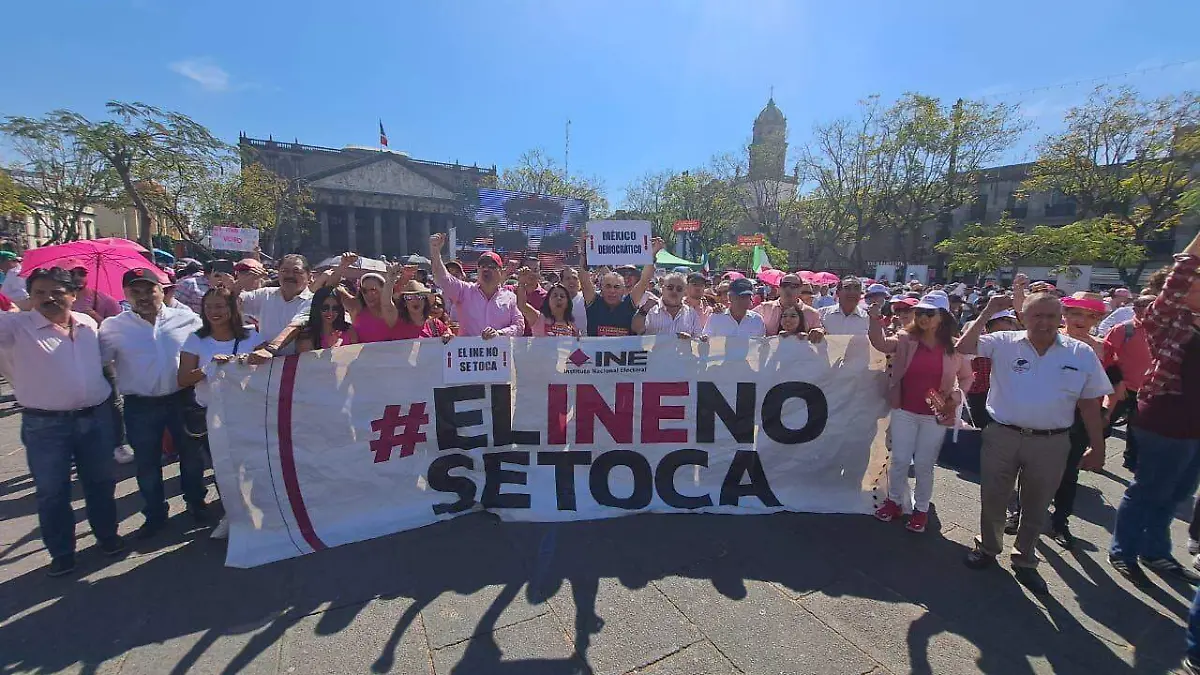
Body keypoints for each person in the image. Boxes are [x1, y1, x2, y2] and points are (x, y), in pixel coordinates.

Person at [957, 292, 1111, 595]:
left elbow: (1090, 404)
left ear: (1061, 318)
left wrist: (1099, 446)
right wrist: (988, 310)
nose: (1043, 322)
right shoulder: (1003, 341)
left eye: (1051, 316)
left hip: (1051, 442)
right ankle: (988, 547)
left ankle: (1025, 558)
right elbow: (963, 346)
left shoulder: (1080, 353)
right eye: (1036, 315)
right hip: (1002, 434)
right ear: (1023, 317)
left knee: (1036, 504)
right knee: (994, 496)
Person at [0, 267, 125, 576]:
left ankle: (108, 537)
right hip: (45, 426)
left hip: (95, 419)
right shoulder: (16, 327)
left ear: (73, 294)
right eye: (40, 292)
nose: (48, 298)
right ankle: (62, 552)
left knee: (100, 483)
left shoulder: (87, 323)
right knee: (52, 491)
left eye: (57, 292)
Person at [1110, 227, 1200, 589]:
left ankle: (1155, 549)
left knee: (1178, 494)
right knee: (1150, 488)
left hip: (1196, 425)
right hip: (1164, 418)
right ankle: (1124, 550)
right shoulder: (1165, 320)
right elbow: (1182, 273)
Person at [100, 268, 208, 539]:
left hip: (183, 400)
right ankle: (155, 515)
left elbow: (208, 349)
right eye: (135, 292)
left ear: (163, 290)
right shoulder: (113, 327)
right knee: (147, 464)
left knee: (192, 458)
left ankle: (196, 503)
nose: (144, 296)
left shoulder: (187, 319)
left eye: (150, 289)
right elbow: (97, 362)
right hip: (140, 405)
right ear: (125, 295)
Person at [1006, 291, 1109, 550]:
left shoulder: (1099, 348)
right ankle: (1019, 514)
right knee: (1027, 469)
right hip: (1043, 413)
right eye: (1076, 313)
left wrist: (1103, 422)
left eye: (1090, 315)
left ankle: (1060, 522)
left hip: (1078, 418)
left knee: (1068, 474)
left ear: (1096, 320)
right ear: (1065, 315)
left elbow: (1107, 385)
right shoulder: (1050, 338)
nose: (1082, 320)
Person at [869, 293, 973, 533]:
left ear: (942, 317)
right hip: (904, 408)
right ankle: (894, 502)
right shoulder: (906, 338)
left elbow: (967, 377)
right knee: (900, 460)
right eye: (920, 312)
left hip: (935, 414)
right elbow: (882, 344)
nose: (923, 317)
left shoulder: (955, 346)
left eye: (929, 313)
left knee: (925, 464)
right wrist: (874, 320)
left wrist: (955, 398)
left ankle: (921, 510)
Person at [177, 288, 259, 540]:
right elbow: (183, 379)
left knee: (250, 466)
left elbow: (270, 366)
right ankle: (232, 516)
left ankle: (255, 512)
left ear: (233, 308)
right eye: (209, 307)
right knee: (225, 468)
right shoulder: (195, 339)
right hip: (212, 414)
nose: (215, 312)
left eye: (221, 306)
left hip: (247, 413)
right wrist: (210, 368)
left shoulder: (253, 336)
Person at [430, 233, 523, 339]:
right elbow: (442, 279)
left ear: (500, 272)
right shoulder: (464, 291)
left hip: (499, 354)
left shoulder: (510, 297)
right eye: (482, 266)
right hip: (469, 355)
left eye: (491, 266)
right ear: (477, 270)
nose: (486, 269)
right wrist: (435, 252)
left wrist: (500, 333)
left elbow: (519, 326)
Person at [1102, 294, 1155, 472]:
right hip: (1121, 388)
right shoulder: (1123, 330)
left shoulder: (1164, 332)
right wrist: (1118, 382)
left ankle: (1132, 462)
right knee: (1104, 422)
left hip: (1147, 391)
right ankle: (1093, 451)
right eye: (1146, 308)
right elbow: (1107, 356)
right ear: (1135, 310)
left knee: (1137, 429)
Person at [580, 238, 662, 337]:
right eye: (608, 286)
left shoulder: (628, 304)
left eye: (617, 287)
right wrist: (585, 252)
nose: (612, 291)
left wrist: (652, 255)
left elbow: (644, 281)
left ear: (623, 290)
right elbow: (584, 281)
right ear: (601, 288)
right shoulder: (594, 303)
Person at [241, 254, 314, 360]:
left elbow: (295, 326)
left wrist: (270, 349)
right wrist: (241, 283)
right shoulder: (264, 295)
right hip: (264, 363)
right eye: (285, 271)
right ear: (278, 273)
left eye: (296, 271)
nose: (290, 276)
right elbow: (229, 305)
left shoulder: (313, 300)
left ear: (309, 276)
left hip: (298, 365)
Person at [964, 309, 1019, 431]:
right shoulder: (981, 342)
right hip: (979, 394)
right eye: (1006, 320)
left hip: (1003, 393)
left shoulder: (1014, 342)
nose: (1010, 325)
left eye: (1010, 321)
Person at [757, 273, 825, 342]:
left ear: (800, 290)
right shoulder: (764, 308)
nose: (788, 289)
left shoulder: (812, 313)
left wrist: (819, 332)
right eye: (784, 285)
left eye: (793, 286)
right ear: (779, 288)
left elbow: (820, 331)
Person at [636, 272, 701, 338]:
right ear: (663, 289)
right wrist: (643, 311)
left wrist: (694, 339)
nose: (674, 291)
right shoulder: (650, 309)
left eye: (679, 289)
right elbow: (637, 330)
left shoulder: (691, 313)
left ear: (685, 292)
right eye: (670, 287)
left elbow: (697, 338)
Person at [516, 270, 578, 337]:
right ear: (548, 301)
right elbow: (522, 305)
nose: (559, 298)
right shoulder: (539, 319)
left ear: (568, 303)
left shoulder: (572, 326)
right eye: (555, 296)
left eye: (562, 296)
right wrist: (521, 283)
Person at [295, 286, 351, 352]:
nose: (330, 312)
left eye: (335, 308)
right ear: (317, 308)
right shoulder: (306, 337)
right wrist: (330, 348)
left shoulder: (349, 331)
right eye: (325, 308)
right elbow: (308, 361)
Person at [559, 266, 589, 337]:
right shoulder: (555, 301)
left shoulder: (587, 299)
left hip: (585, 343)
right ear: (561, 282)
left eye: (575, 278)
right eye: (568, 278)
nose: (572, 281)